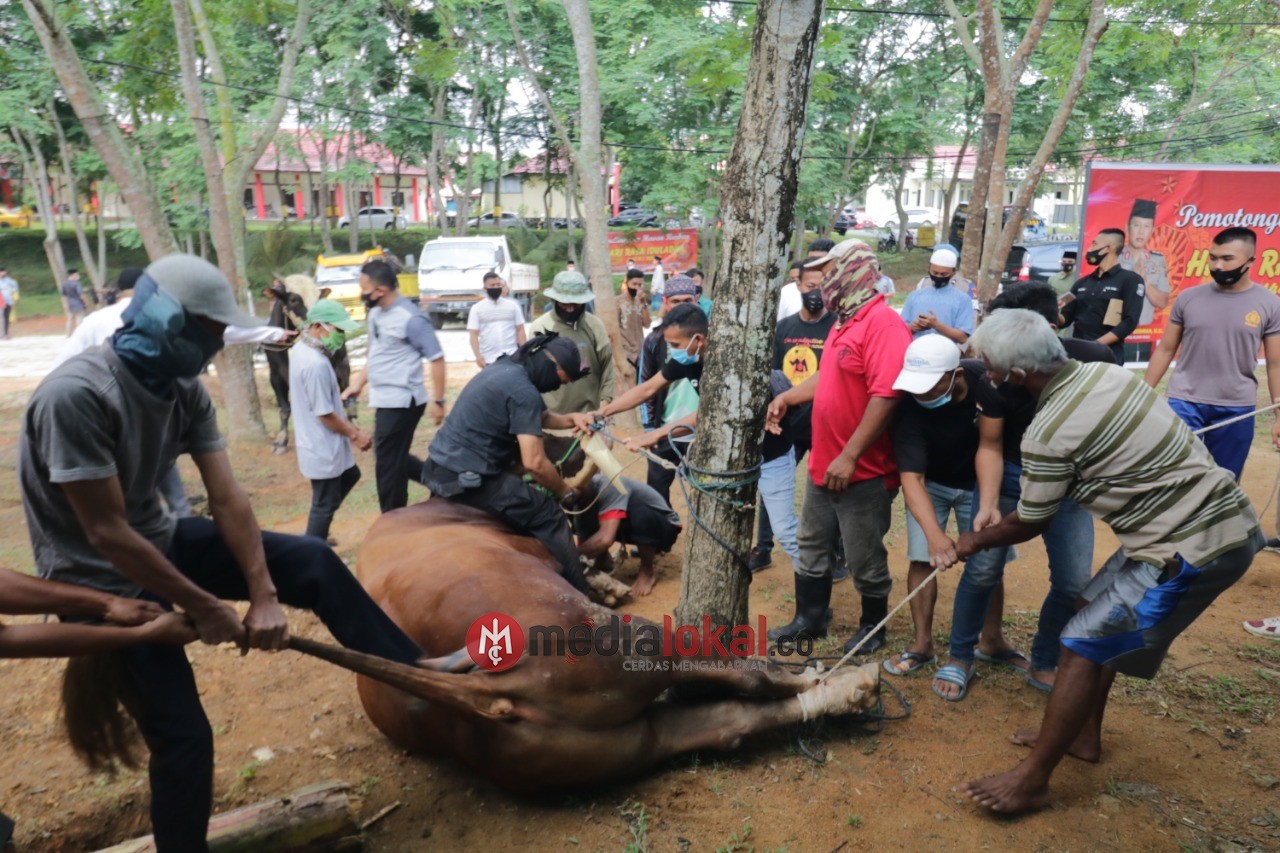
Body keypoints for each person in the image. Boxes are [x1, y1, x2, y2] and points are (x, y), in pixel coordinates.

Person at [17, 254, 436, 850]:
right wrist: (206, 606)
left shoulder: (184, 391)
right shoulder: (78, 395)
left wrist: (263, 593)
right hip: (97, 581)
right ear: (165, 323)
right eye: (210, 330)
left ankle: (415, 672)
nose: (217, 344)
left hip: (160, 541)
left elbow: (229, 498)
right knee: (184, 737)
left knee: (313, 563)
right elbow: (107, 533)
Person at [954, 307, 1261, 816]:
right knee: (1087, 606)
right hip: (1196, 527)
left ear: (1016, 376)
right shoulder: (1107, 373)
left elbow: (1031, 520)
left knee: (1079, 647)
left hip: (1193, 548)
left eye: (989, 369)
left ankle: (1033, 782)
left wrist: (970, 542)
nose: (986, 379)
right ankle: (1083, 737)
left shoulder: (1047, 432)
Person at [942, 283, 1111, 701]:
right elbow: (991, 445)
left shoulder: (1094, 361)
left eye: (993, 362)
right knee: (982, 569)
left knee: (1074, 581)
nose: (986, 370)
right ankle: (961, 654)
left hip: (1069, 484)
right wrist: (987, 505)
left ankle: (1045, 660)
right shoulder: (992, 378)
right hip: (1014, 477)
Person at [765, 239, 912, 653]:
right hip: (823, 462)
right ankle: (809, 620)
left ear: (853, 272)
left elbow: (887, 396)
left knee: (863, 554)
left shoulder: (882, 324)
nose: (822, 282)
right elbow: (826, 378)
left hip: (861, 470)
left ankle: (871, 627)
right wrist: (787, 397)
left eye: (830, 272)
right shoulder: (844, 321)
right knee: (812, 543)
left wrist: (850, 456)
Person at [884, 335, 1024, 684]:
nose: (921, 395)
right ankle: (921, 645)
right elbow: (912, 478)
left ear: (957, 375)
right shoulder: (909, 407)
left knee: (987, 566)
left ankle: (991, 640)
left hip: (982, 484)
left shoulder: (986, 381)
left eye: (930, 387)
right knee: (921, 558)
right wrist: (934, 536)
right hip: (931, 483)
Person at [421, 333, 592, 592]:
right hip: (469, 480)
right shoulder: (524, 391)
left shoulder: (505, 370)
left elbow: (540, 416)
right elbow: (534, 463)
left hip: (438, 466)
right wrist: (565, 492)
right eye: (561, 380)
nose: (558, 387)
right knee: (549, 515)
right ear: (550, 364)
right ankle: (581, 594)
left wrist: (572, 419)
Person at [1144, 227, 1280, 481]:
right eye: (1213, 257)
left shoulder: (1270, 303)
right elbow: (1165, 349)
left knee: (1223, 483)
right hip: (1184, 401)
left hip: (1238, 407)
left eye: (1227, 259)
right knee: (1174, 479)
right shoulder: (1187, 298)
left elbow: (1275, 365)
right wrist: (1140, 395)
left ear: (1251, 261)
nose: (1217, 265)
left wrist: (1278, 415)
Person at [750, 261, 836, 572]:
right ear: (797, 285)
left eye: (823, 286)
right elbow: (770, 374)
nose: (817, 293)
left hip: (825, 422)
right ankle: (762, 548)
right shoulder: (784, 327)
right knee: (772, 486)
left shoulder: (837, 327)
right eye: (811, 286)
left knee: (830, 488)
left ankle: (834, 553)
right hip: (787, 425)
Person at [342, 260, 446, 513]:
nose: (361, 293)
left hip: (403, 401)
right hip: (384, 398)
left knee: (387, 464)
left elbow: (437, 358)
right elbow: (376, 354)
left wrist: (439, 401)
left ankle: (391, 517)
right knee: (392, 458)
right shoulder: (376, 313)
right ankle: (443, 485)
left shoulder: (411, 318)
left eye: (364, 288)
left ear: (380, 291)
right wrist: (357, 384)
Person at [576, 305, 709, 491]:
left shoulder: (721, 366)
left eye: (676, 345)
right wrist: (603, 412)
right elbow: (647, 389)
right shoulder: (685, 359)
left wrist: (654, 435)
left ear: (699, 339)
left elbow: (707, 414)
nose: (672, 350)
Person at [290, 300, 371, 543]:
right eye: (338, 330)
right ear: (317, 326)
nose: (341, 336)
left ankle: (319, 531)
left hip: (323, 441)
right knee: (323, 505)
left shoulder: (304, 351)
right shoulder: (313, 364)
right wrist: (355, 434)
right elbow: (324, 414)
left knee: (350, 475)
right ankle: (313, 547)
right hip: (320, 443)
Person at [635, 278, 701, 501]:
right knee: (655, 493)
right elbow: (645, 386)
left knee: (703, 491)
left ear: (697, 300)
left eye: (687, 300)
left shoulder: (709, 338)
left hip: (700, 432)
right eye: (675, 301)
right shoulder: (654, 339)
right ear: (665, 302)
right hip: (664, 429)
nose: (682, 306)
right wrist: (648, 430)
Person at [573, 473, 682, 596]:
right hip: (625, 525)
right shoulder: (578, 500)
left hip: (665, 527)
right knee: (579, 513)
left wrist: (569, 558)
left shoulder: (609, 485)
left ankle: (647, 572)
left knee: (641, 515)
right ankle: (603, 561)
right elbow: (584, 542)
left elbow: (605, 539)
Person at [528, 270, 615, 414]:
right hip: (552, 418)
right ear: (555, 300)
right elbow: (532, 374)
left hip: (589, 415)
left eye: (575, 303)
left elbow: (607, 367)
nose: (570, 308)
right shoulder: (540, 327)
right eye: (565, 303)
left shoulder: (594, 325)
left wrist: (604, 403)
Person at [1059, 228, 1144, 365]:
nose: (1090, 249)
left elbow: (1129, 322)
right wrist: (1051, 308)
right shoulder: (1081, 283)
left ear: (1108, 248)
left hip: (1109, 357)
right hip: (1078, 357)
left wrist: (1096, 346)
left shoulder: (1130, 280)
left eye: (1094, 244)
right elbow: (1065, 319)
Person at [902, 247, 973, 344]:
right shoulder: (914, 296)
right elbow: (899, 330)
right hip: (914, 353)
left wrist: (936, 325)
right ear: (929, 270)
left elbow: (963, 338)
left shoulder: (963, 299)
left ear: (953, 273)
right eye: (935, 273)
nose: (938, 277)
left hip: (945, 355)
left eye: (943, 274)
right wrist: (913, 327)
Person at [1121, 198, 1170, 329]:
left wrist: (1145, 282)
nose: (1141, 232)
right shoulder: (1114, 258)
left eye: (1146, 226)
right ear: (1127, 228)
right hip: (1115, 331)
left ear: (1152, 231)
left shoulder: (1158, 261)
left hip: (1144, 332)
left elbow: (1163, 302)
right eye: (1137, 225)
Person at [467, 271, 527, 368]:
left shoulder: (512, 306)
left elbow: (520, 329)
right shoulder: (477, 309)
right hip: (488, 358)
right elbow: (473, 334)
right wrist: (478, 356)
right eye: (492, 285)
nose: (495, 287)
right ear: (485, 289)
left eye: (498, 284)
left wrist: (524, 352)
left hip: (511, 356)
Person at [618, 267, 651, 375]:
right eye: (634, 284)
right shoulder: (617, 302)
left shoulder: (641, 301)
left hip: (639, 352)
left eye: (639, 285)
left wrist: (644, 303)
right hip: (624, 352)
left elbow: (647, 324)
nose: (637, 287)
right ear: (627, 283)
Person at [61, 269, 87, 336]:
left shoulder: (64, 283)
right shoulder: (76, 283)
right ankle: (80, 334)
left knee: (70, 319)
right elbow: (81, 295)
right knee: (80, 318)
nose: (78, 276)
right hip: (78, 303)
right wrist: (85, 301)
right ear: (73, 275)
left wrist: (65, 304)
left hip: (69, 303)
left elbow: (64, 295)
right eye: (77, 274)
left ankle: (68, 334)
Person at [0, 267, 18, 338]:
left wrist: (12, 291)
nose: (3, 273)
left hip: (8, 301)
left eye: (4, 272)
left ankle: (6, 333)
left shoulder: (8, 280)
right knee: (1, 318)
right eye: (1, 272)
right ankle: (1, 333)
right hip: (0, 301)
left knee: (6, 317)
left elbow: (15, 286)